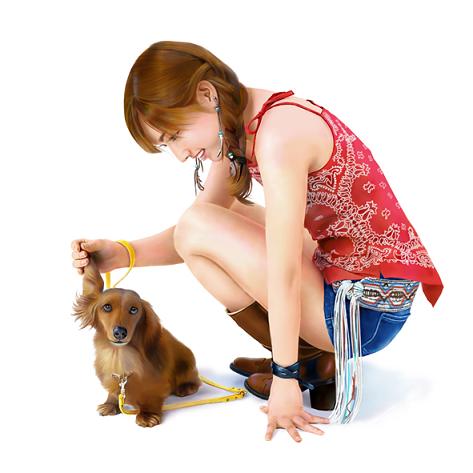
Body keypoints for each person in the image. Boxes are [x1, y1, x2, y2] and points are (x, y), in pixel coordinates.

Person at [71, 40, 443, 442]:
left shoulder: (278, 138)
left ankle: (301, 362)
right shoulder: (245, 122)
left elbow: (279, 268)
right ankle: (316, 361)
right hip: (359, 287)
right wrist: (122, 253)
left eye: (175, 135)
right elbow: (192, 232)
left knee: (203, 223)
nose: (180, 154)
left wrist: (284, 378)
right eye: (166, 145)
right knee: (219, 216)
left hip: (362, 315)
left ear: (206, 94)